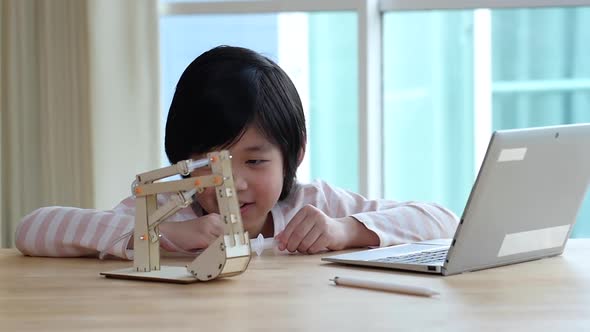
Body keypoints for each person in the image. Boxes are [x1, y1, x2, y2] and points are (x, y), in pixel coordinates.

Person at [15, 45, 458, 260]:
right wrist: (156, 236)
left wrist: (347, 230)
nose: (233, 182)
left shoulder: (313, 206)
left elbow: (444, 220)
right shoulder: (169, 209)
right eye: (210, 163)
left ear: (295, 154)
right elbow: (33, 229)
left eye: (255, 160)